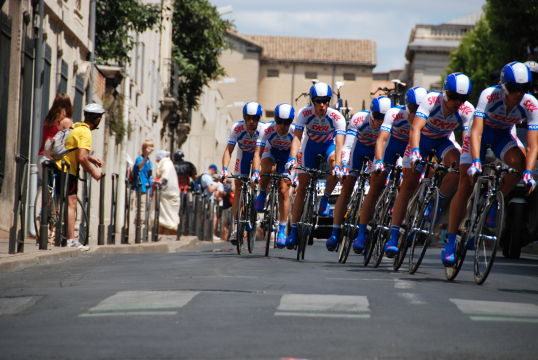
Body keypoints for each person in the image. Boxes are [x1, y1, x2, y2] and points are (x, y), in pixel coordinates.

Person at [442, 61, 538, 264]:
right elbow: (475, 131)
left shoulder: (531, 104)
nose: (518, 94)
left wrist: (529, 172)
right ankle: (450, 242)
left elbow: (533, 145)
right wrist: (476, 161)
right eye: (513, 88)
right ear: (503, 86)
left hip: (503, 135)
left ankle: (494, 202)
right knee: (466, 182)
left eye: (524, 89)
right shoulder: (489, 95)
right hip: (480, 134)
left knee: (519, 165)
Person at [383, 72, 474, 258]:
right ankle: (393, 236)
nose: (457, 102)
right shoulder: (431, 100)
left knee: (458, 167)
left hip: (443, 142)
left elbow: (466, 140)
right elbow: (416, 127)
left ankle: (435, 203)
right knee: (408, 185)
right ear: (444, 93)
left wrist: (469, 160)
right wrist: (415, 150)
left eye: (462, 99)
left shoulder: (467, 111)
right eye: (453, 97)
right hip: (422, 140)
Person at [351, 87, 428, 253]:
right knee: (376, 185)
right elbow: (381, 139)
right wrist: (378, 161)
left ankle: (402, 219)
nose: (417, 113)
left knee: (411, 182)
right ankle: (361, 232)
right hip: (390, 147)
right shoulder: (394, 114)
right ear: (407, 106)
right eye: (414, 109)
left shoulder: (428, 117)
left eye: (420, 109)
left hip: (409, 149)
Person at [325, 96, 393, 251]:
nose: (380, 122)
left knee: (377, 184)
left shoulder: (391, 124)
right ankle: (335, 232)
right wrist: (344, 166)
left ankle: (363, 231)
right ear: (371, 113)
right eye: (377, 117)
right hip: (358, 150)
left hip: (377, 154)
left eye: (384, 118)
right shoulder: (359, 119)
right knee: (347, 186)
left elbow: (388, 150)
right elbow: (347, 147)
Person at [285, 82, 346, 249]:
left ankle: (325, 199)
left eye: (326, 101)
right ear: (312, 101)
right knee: (302, 187)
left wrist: (339, 165)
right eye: (318, 101)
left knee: (334, 166)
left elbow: (340, 144)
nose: (322, 105)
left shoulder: (336, 117)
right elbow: (297, 138)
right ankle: (294, 230)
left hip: (329, 146)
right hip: (310, 146)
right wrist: (292, 158)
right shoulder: (303, 113)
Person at [56, 103, 105, 250]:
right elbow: (82, 158)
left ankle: (54, 235)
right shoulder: (86, 133)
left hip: (59, 166)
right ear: (97, 119)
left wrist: (92, 158)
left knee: (60, 202)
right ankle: (71, 239)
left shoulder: (76, 127)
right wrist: (94, 173)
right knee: (71, 204)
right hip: (68, 170)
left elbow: (74, 149)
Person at [252, 103, 296, 247]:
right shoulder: (267, 129)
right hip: (270, 152)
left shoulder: (295, 132)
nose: (283, 126)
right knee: (266, 167)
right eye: (280, 122)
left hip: (287, 156)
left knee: (284, 189)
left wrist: (294, 176)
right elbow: (258, 153)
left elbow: (298, 155)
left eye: (287, 122)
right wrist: (256, 172)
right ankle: (263, 193)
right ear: (275, 120)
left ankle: (282, 229)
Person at [220, 102, 263, 244]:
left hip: (260, 156)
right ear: (244, 118)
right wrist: (225, 170)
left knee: (260, 179)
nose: (252, 121)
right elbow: (228, 150)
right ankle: (236, 226)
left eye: (255, 118)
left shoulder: (263, 129)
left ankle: (257, 202)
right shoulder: (237, 128)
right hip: (243, 155)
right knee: (238, 187)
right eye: (249, 118)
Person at [38, 93, 73, 178]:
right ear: (68, 106)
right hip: (56, 160)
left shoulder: (48, 119)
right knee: (59, 190)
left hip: (42, 157)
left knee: (47, 189)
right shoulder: (66, 121)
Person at [154, 150, 180, 235]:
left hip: (168, 195)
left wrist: (158, 182)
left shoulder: (166, 164)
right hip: (168, 195)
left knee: (169, 217)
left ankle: (172, 234)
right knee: (164, 217)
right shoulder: (168, 163)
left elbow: (165, 178)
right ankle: (162, 233)